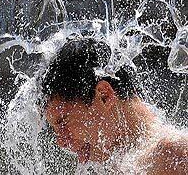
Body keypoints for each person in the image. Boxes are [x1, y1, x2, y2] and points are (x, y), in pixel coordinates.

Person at [41, 38, 188, 174]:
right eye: (56, 130)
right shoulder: (122, 164)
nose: (61, 142)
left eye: (63, 122)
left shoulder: (174, 156)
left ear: (104, 96)